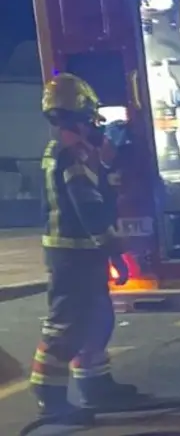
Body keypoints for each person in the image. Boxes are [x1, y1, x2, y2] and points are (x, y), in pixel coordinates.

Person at [29, 73, 138, 423]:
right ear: (80, 114)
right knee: (66, 326)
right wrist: (114, 250)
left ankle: (95, 384)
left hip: (79, 251)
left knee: (97, 318)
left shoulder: (69, 149)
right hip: (74, 253)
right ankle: (50, 396)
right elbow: (87, 206)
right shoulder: (70, 152)